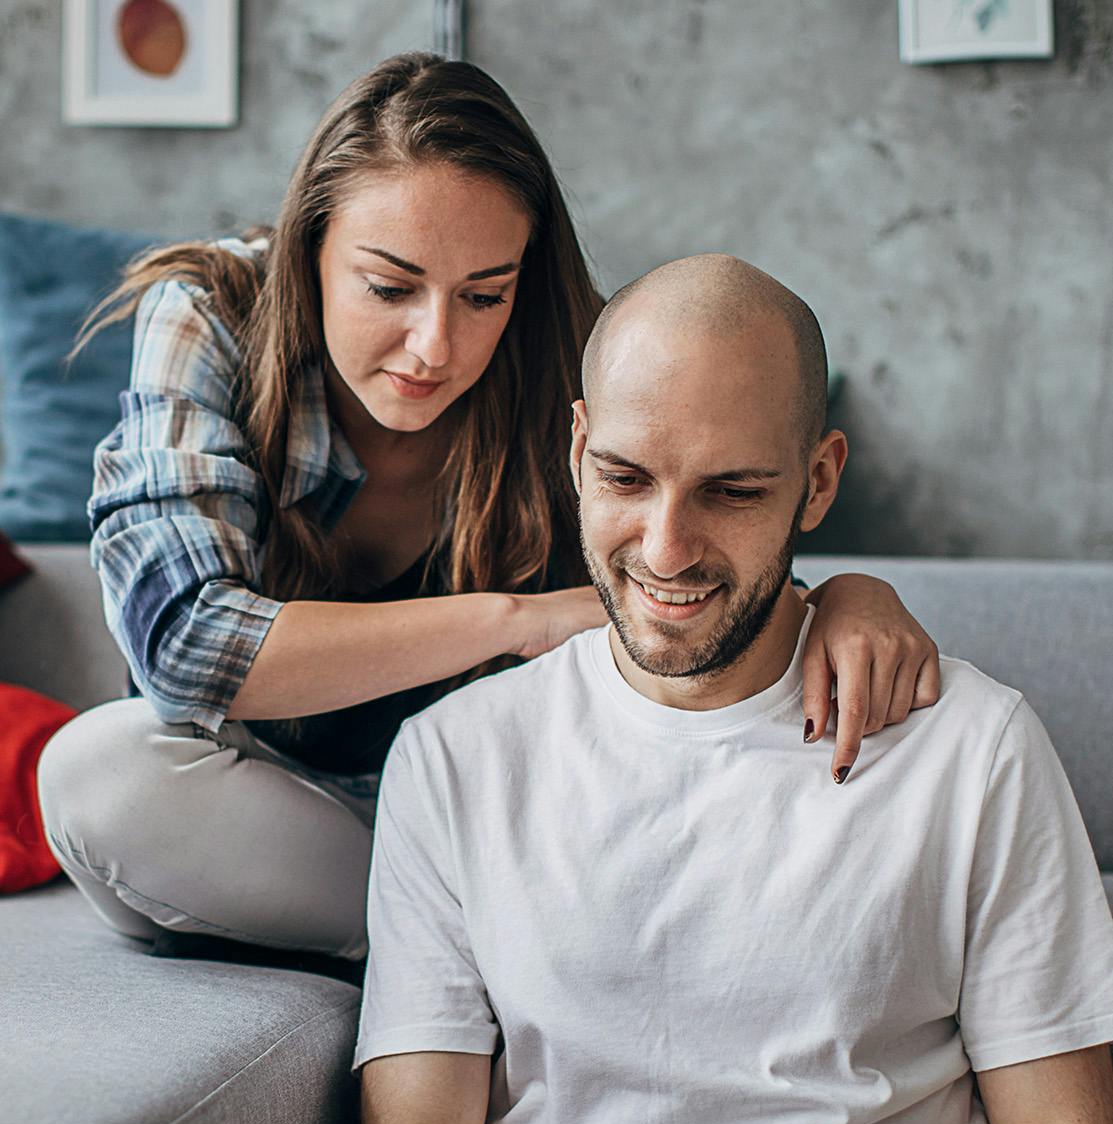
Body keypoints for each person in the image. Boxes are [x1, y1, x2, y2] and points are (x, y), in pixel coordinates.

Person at [39, 53, 939, 962]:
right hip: (243, 811)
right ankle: (473, 947)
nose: (435, 346)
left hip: (478, 818)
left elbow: (700, 562)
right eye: (389, 287)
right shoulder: (211, 310)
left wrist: (844, 596)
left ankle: (447, 949)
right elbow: (186, 649)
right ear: (308, 246)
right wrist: (519, 620)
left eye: (483, 294)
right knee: (100, 775)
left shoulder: (568, 354)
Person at [354, 255, 1113, 1124]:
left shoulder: (976, 752)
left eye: (732, 490)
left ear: (818, 479)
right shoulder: (454, 759)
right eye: (624, 478)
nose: (667, 548)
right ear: (576, 449)